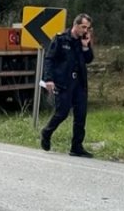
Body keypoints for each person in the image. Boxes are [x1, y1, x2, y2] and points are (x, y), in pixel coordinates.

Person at [39, 13, 96, 158]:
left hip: (79, 83)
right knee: (62, 112)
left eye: (88, 28)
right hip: (63, 82)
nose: (85, 30)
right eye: (83, 27)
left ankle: (76, 147)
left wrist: (85, 47)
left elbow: (89, 59)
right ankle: (46, 132)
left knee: (81, 115)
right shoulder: (61, 39)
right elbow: (49, 59)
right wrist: (48, 79)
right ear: (75, 25)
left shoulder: (83, 41)